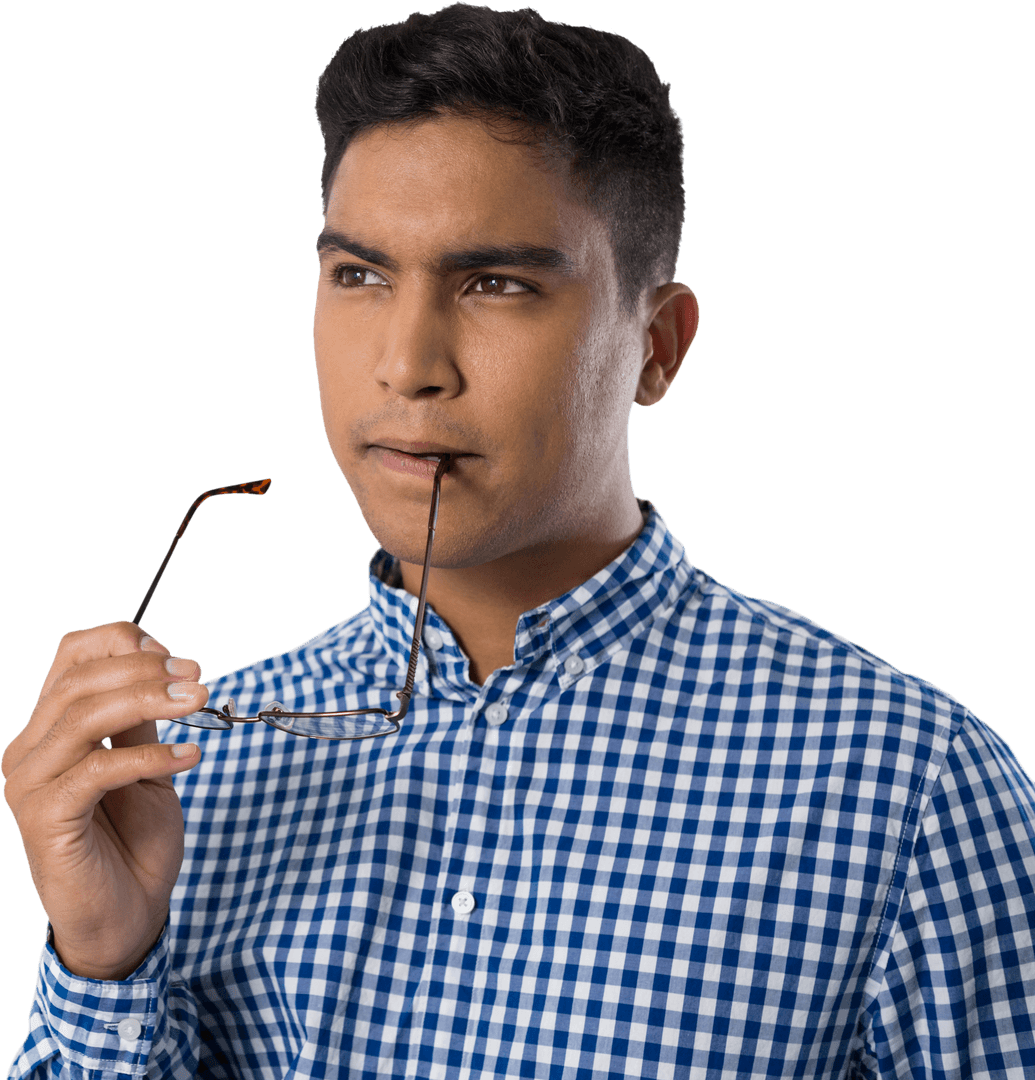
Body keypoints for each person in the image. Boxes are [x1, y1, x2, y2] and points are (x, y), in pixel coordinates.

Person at [5, 4, 1034, 1077]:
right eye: (359, 275)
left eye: (495, 284)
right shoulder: (182, 779)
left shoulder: (907, 789)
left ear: (658, 347)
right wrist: (107, 961)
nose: (408, 364)